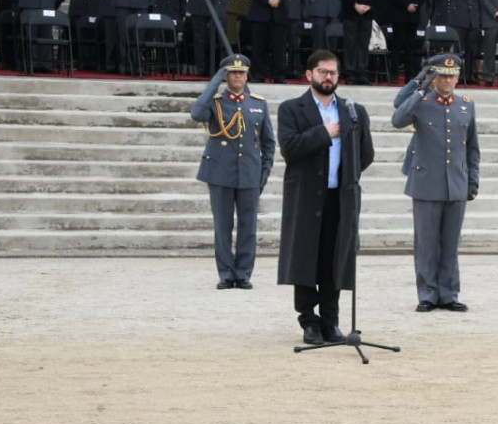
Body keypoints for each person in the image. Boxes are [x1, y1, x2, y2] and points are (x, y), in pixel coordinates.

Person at [276, 49, 375, 345]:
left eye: (333, 72)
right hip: (306, 196)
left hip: (339, 198)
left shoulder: (353, 111)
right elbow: (290, 148)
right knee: (306, 259)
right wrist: (325, 133)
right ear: (309, 75)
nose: (328, 77)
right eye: (322, 72)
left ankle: (331, 322)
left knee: (335, 261)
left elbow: (365, 153)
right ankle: (309, 321)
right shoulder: (291, 108)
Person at [391, 54, 480, 312]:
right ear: (434, 77)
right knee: (427, 244)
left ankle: (449, 294)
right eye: (442, 75)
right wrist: (420, 88)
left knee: (450, 244)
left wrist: (472, 180)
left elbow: (472, 147)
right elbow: (397, 119)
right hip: (427, 183)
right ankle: (428, 294)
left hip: (456, 183)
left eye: (452, 75)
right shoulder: (421, 102)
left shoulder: (466, 104)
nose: (448, 79)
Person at [190, 54, 276, 289]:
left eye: (241, 72)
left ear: (247, 75)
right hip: (220, 172)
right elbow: (196, 114)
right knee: (223, 226)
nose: (237, 76)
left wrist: (264, 172)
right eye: (232, 72)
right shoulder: (216, 102)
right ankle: (226, 274)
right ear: (226, 75)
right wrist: (214, 82)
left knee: (248, 227)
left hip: (249, 172)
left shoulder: (258, 103)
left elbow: (268, 143)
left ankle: (244, 273)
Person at [442, 0, 484, 85]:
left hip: (473, 21)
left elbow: (480, 2)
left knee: (472, 50)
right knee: (459, 50)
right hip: (459, 21)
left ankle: (470, 75)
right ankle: (458, 76)